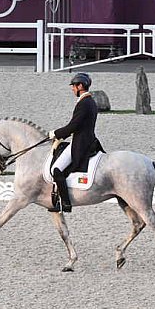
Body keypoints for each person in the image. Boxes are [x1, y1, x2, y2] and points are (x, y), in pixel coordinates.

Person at [47, 72, 103, 212]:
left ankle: (65, 203)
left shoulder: (84, 103)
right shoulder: (89, 101)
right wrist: (61, 138)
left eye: (74, 86)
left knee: (57, 169)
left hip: (81, 143)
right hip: (87, 139)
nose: (72, 89)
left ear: (80, 86)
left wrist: (55, 133)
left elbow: (73, 126)